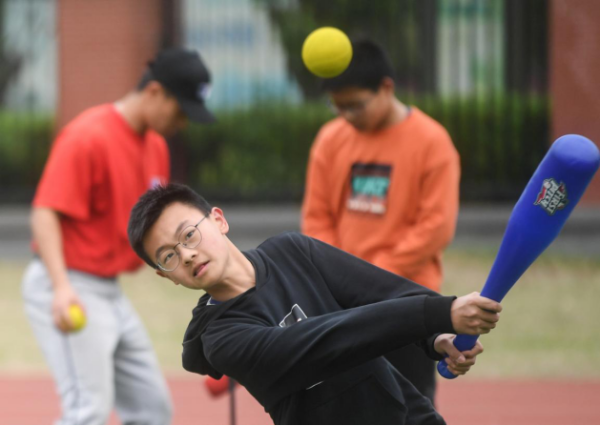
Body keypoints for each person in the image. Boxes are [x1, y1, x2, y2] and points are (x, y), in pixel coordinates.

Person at [127, 183, 501, 425]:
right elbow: (330, 341)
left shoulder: (292, 250)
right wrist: (438, 313)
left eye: (188, 235)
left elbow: (382, 291)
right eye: (169, 257)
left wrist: (437, 336)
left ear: (219, 220)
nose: (187, 255)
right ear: (167, 276)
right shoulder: (222, 339)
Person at [22, 48, 215, 424]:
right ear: (155, 92)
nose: (182, 123)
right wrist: (61, 288)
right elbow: (45, 213)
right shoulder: (88, 135)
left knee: (152, 410)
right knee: (87, 411)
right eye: (181, 111)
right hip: (67, 282)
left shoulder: (155, 145)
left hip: (108, 290)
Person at [301, 37, 461, 404]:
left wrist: (368, 282)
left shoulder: (432, 141)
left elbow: (435, 228)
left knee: (408, 409)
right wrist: (341, 282)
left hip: (408, 304)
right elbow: (317, 217)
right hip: (341, 308)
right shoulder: (330, 139)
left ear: (386, 88)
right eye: (337, 106)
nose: (346, 116)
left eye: (355, 105)